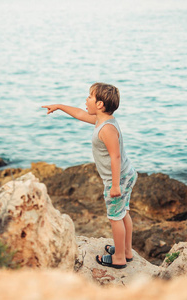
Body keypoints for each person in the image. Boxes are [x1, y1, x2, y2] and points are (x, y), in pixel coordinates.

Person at [42, 82, 138, 269]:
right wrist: (59, 106)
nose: (86, 100)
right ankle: (126, 251)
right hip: (126, 175)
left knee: (115, 217)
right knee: (123, 212)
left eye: (89, 97)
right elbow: (79, 113)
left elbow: (115, 156)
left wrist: (115, 185)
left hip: (117, 179)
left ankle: (119, 257)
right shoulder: (102, 120)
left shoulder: (106, 128)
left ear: (100, 104)